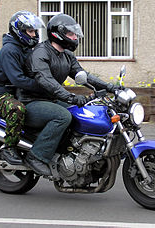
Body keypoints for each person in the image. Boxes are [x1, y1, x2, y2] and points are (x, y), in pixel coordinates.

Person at [18, 13, 122, 176]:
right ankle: (36, 156)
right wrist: (71, 97)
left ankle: (70, 153)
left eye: (75, 34)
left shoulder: (66, 55)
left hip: (51, 100)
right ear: (58, 34)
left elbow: (83, 75)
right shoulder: (40, 53)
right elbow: (47, 82)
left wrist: (111, 87)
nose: (74, 37)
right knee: (63, 117)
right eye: (71, 34)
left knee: (82, 113)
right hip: (31, 102)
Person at [0, 11, 45, 165]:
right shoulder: (10, 51)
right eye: (30, 31)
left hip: (19, 92)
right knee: (17, 109)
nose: (34, 35)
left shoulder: (25, 48)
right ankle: (9, 148)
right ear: (19, 31)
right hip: (1, 95)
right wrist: (42, 87)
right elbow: (18, 79)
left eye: (35, 31)